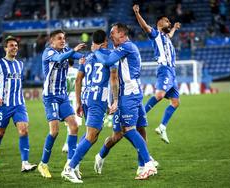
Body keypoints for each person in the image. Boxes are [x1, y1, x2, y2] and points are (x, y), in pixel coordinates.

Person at [93, 23, 157, 180]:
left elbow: (107, 62)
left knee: (128, 130)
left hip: (128, 94)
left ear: (121, 34)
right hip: (133, 92)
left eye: (112, 33)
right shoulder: (124, 48)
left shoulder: (126, 46)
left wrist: (95, 52)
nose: (110, 36)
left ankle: (147, 164)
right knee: (134, 131)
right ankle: (142, 165)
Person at [61, 29, 119, 184]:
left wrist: (79, 102)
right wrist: (115, 100)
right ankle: (70, 167)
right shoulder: (110, 56)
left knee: (93, 134)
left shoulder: (87, 57)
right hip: (97, 100)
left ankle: (74, 163)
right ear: (105, 42)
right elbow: (113, 79)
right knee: (91, 135)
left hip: (87, 98)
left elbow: (78, 80)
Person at [0, 36, 37, 173]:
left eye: (16, 45)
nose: (14, 48)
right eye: (11, 45)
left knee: (24, 130)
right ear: (5, 48)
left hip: (19, 104)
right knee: (0, 132)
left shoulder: (20, 64)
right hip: (4, 105)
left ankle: (25, 163)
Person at [37, 30, 85, 178]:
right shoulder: (48, 53)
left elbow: (80, 56)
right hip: (50, 96)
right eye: (59, 39)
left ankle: (70, 165)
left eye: (64, 38)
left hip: (62, 96)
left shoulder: (65, 50)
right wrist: (73, 50)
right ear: (52, 41)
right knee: (55, 131)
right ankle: (43, 164)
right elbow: (59, 58)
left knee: (74, 126)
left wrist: (88, 58)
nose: (62, 41)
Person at [133, 4, 181, 144]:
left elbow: (170, 34)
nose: (169, 23)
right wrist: (137, 13)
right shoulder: (156, 35)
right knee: (159, 95)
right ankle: (139, 117)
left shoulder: (166, 37)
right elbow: (144, 27)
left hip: (172, 73)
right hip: (164, 69)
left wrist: (174, 28)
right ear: (160, 22)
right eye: (167, 21)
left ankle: (162, 127)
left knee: (175, 102)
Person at [61, 59, 82, 153]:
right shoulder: (77, 71)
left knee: (70, 123)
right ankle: (68, 144)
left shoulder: (63, 73)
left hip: (66, 99)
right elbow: (81, 84)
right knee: (74, 124)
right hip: (76, 99)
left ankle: (68, 143)